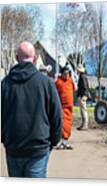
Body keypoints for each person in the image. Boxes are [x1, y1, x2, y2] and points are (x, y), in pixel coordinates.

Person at [1, 41, 62, 178]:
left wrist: (5, 138)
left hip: (14, 148)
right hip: (38, 148)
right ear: (34, 59)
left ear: (17, 58)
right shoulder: (46, 84)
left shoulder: (4, 85)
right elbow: (57, 115)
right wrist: (54, 141)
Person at [55, 66, 75, 149]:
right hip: (62, 107)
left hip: (69, 108)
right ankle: (60, 141)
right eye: (65, 74)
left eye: (68, 73)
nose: (67, 75)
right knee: (62, 125)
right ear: (62, 74)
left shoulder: (70, 81)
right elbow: (54, 94)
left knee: (68, 125)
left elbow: (73, 90)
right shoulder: (58, 82)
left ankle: (65, 141)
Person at [76, 64, 90, 130]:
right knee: (83, 110)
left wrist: (83, 96)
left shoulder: (82, 77)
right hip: (83, 95)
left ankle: (85, 124)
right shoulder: (83, 76)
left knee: (83, 110)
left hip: (83, 96)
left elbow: (84, 87)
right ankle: (84, 124)